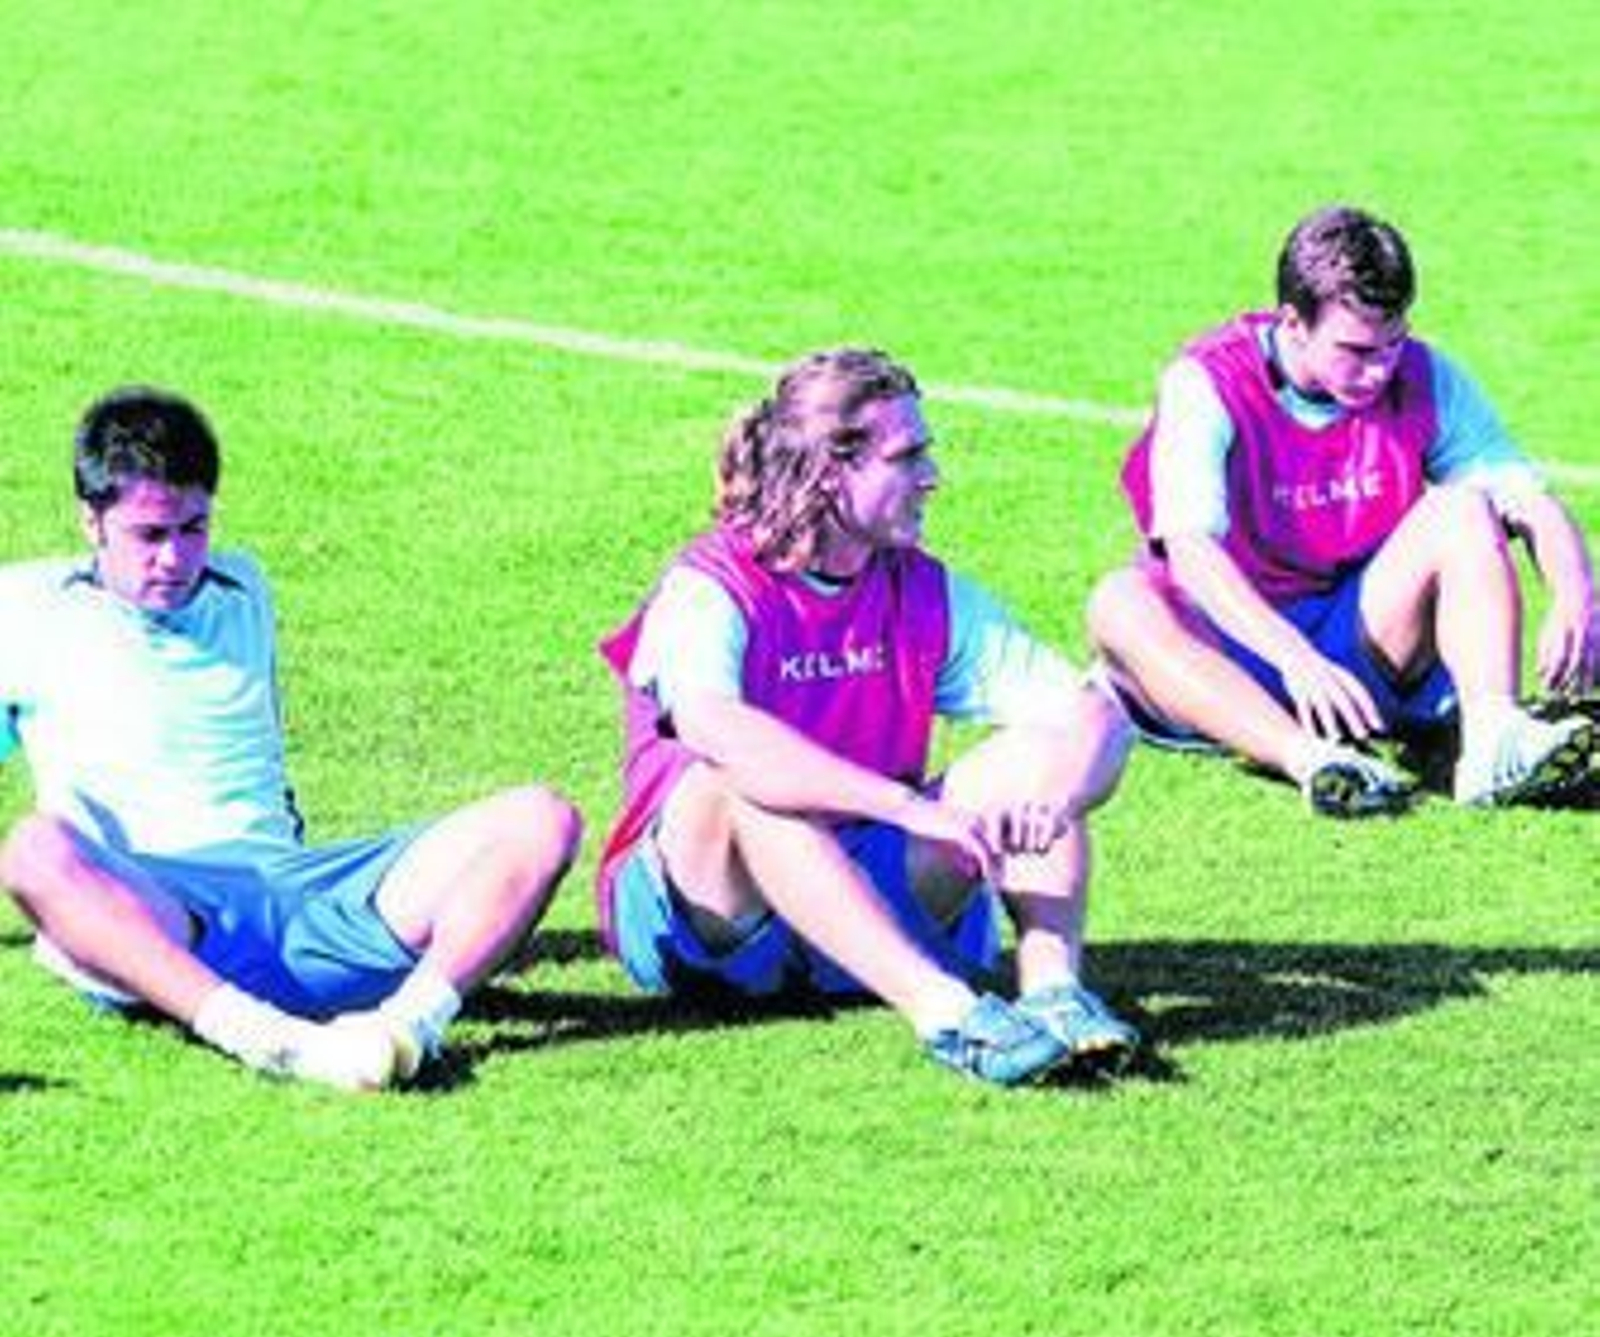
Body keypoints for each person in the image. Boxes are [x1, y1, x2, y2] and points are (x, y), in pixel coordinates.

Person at [0, 387, 582, 1090]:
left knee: (542, 819)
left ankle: (405, 1026)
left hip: (305, 899)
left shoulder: (243, 586)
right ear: (90, 520)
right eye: (149, 535)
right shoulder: (24, 609)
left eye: (194, 527)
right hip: (162, 911)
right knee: (34, 849)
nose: (175, 557)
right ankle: (270, 1042)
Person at [595, 347, 1138, 1088]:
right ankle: (948, 1014)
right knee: (744, 782)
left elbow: (1093, 712)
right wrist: (910, 807)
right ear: (829, 473)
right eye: (906, 456)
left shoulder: (922, 592)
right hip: (714, 920)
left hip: (868, 900)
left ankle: (1053, 994)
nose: (932, 477)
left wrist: (1058, 799)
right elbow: (719, 728)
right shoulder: (708, 587)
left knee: (1047, 748)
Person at [1090, 205, 1596, 814]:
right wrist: (1295, 658)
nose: (1380, 369)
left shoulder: (1423, 375)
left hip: (1356, 636)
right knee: (1118, 602)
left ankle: (1493, 741)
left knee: (1464, 509)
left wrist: (1575, 594)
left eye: (1393, 343)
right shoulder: (1205, 383)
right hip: (1229, 652)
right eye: (1356, 350)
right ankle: (1313, 760)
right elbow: (1192, 553)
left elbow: (1528, 500)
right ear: (1293, 323)